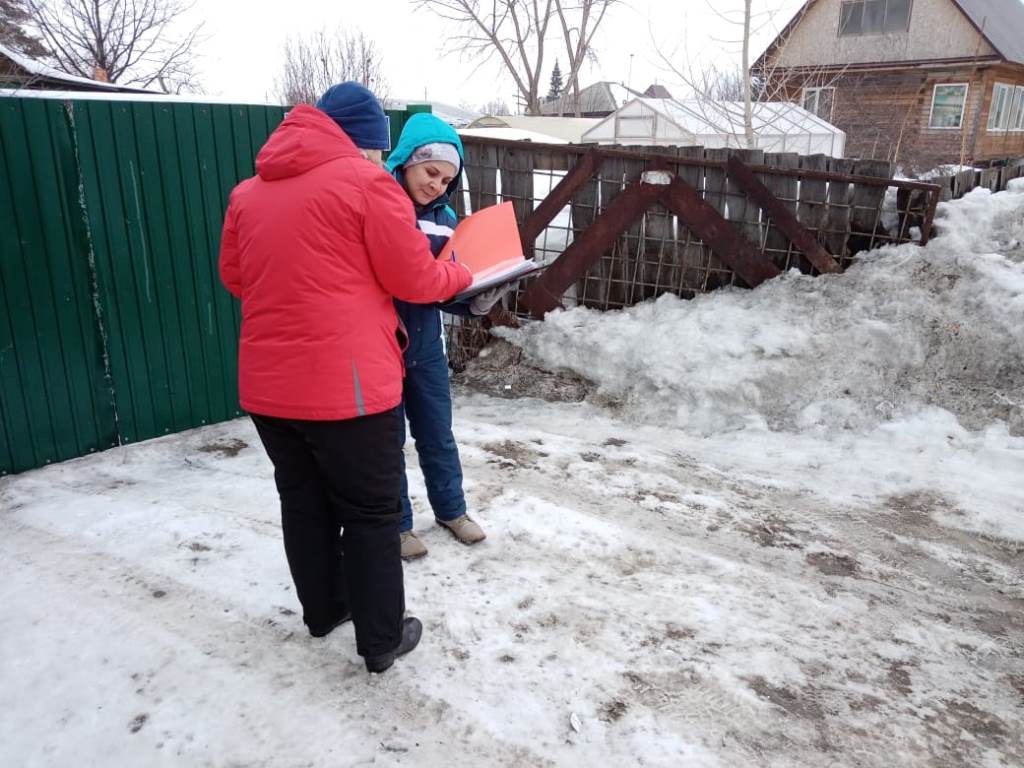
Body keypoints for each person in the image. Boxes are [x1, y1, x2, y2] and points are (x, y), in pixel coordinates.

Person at [218, 83, 472, 673]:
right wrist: (459, 275)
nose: (379, 162)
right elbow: (415, 280)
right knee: (370, 514)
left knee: (303, 503)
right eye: (377, 151)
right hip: (349, 390)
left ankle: (323, 611)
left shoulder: (246, 194)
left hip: (268, 390)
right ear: (362, 143)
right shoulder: (368, 186)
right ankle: (381, 641)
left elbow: (237, 278)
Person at [384, 113, 508, 561]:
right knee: (388, 442)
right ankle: (397, 525)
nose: (436, 185)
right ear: (404, 163)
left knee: (437, 435)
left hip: (427, 350)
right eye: (429, 172)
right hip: (383, 350)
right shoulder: (380, 209)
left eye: (446, 178)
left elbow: (445, 286)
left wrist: (474, 300)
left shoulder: (447, 219)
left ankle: (451, 510)